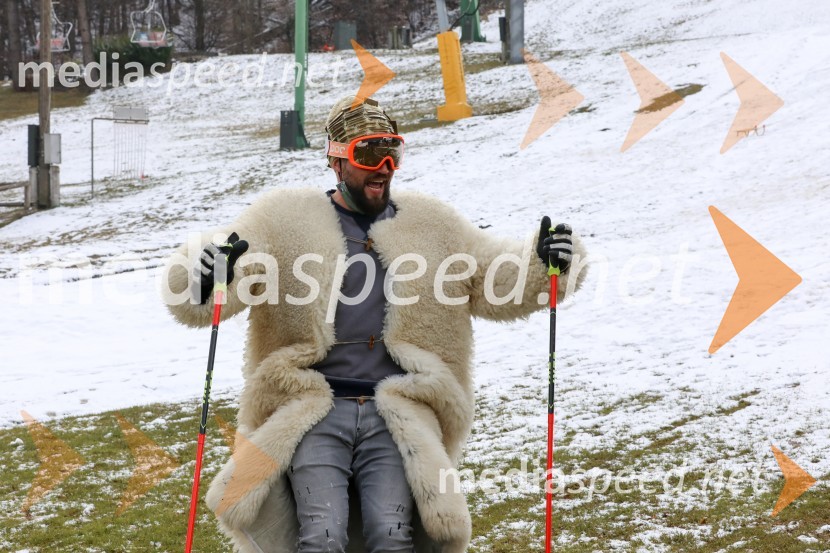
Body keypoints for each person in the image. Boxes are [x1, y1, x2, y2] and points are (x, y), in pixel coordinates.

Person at [162, 95, 587, 553]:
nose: (384, 166)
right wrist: (204, 274)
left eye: (393, 152)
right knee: (322, 536)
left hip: (399, 408)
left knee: (392, 534)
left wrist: (544, 263)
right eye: (368, 153)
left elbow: (490, 277)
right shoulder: (282, 219)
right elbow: (234, 266)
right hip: (312, 407)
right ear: (338, 160)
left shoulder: (430, 224)